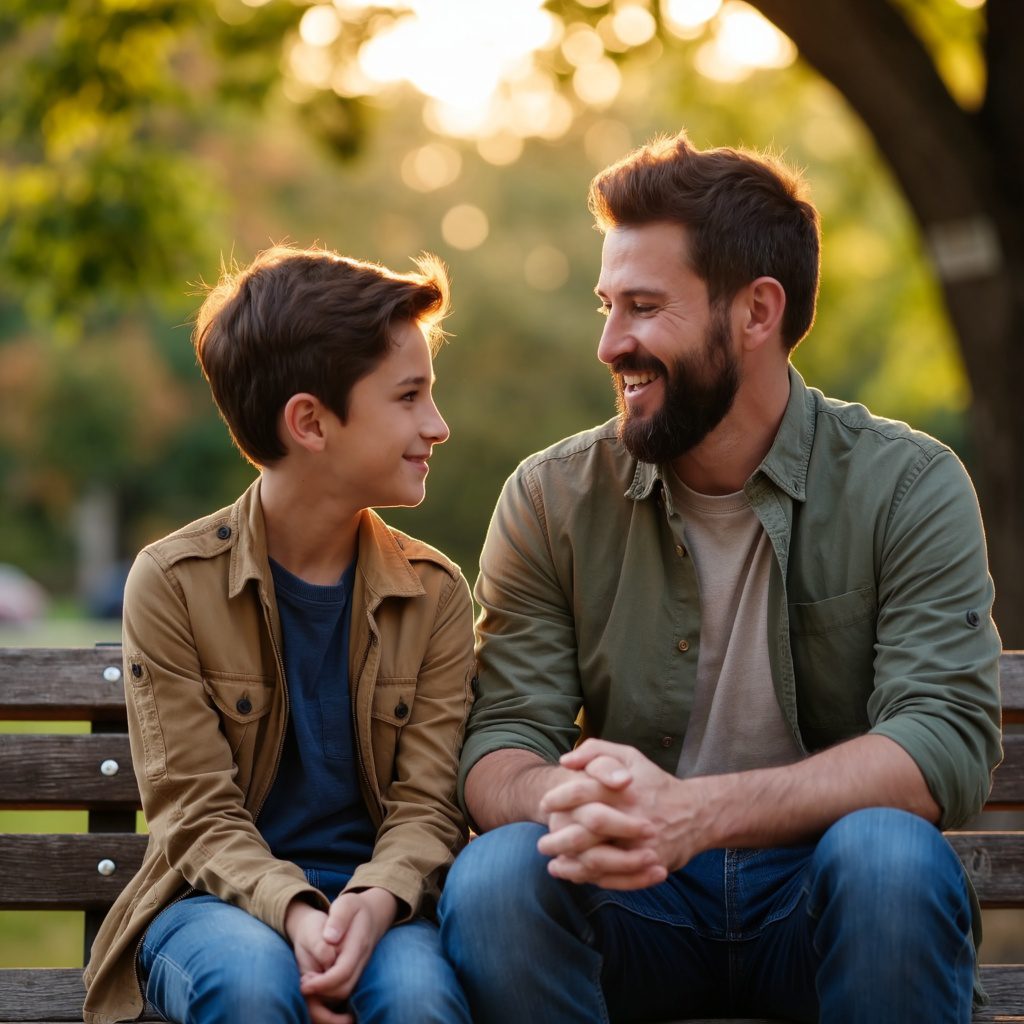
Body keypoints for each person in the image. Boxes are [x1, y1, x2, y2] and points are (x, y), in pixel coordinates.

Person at [438, 131, 1003, 1023]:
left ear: (756, 311)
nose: (610, 344)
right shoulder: (551, 497)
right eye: (606, 306)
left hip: (822, 895)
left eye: (644, 306)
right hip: (633, 897)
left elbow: (941, 743)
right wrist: (568, 796)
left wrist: (697, 812)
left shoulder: (908, 484)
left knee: (889, 857)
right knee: (500, 874)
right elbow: (500, 738)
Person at [83, 246, 475, 1024]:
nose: (439, 425)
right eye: (408, 396)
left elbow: (428, 807)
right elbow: (194, 814)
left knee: (419, 999)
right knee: (257, 985)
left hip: (383, 907)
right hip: (212, 905)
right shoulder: (173, 583)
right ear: (309, 422)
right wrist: (296, 914)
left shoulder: (434, 593)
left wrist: (367, 904)